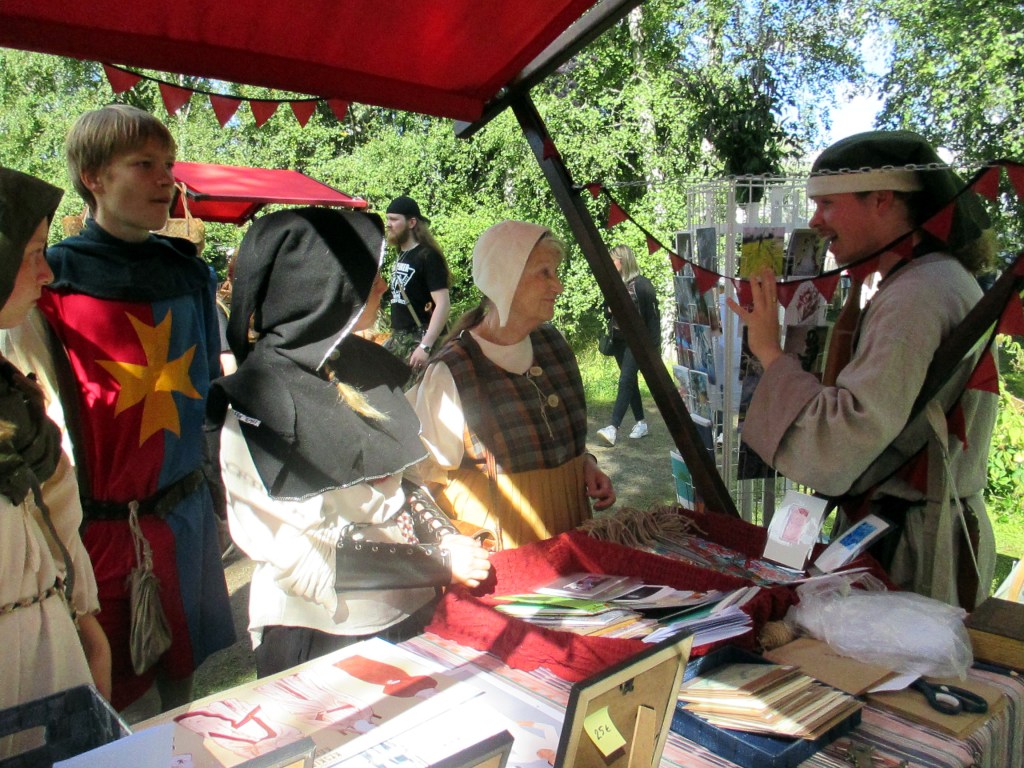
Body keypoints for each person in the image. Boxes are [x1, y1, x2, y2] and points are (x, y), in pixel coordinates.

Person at [3, 105, 235, 712]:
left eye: (169, 165)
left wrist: (216, 495)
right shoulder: (52, 284)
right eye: (144, 165)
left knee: (185, 695)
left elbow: (207, 398)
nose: (167, 180)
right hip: (99, 528)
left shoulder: (189, 276)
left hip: (182, 515)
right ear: (94, 178)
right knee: (104, 695)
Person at [208, 207, 491, 678]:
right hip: (323, 634)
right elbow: (306, 561)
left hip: (410, 614)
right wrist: (439, 560)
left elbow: (398, 482)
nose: (382, 285)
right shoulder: (258, 405)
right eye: (370, 274)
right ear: (322, 286)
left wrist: (447, 537)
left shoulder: (360, 365)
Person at [728, 130, 997, 609]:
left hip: (913, 547)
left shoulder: (918, 294)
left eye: (828, 205)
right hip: (904, 529)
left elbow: (844, 434)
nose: (816, 221)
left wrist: (771, 353)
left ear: (881, 200)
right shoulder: (924, 281)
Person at [410, 220, 616, 550]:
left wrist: (584, 465)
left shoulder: (553, 346)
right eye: (544, 273)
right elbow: (422, 479)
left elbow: (553, 439)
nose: (558, 286)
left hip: (569, 542)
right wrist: (461, 544)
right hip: (500, 551)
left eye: (555, 272)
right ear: (505, 277)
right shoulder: (455, 370)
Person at [0, 168, 110, 726]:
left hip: (56, 655)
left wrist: (84, 620)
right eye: (34, 252)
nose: (47, 270)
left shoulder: (13, 397)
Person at [596, 245, 661, 446]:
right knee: (629, 382)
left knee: (625, 380)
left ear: (622, 261)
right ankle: (641, 422)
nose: (609, 264)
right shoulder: (615, 284)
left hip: (637, 342)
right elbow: (608, 312)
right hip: (619, 341)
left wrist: (653, 347)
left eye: (612, 260)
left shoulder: (642, 285)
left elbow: (653, 318)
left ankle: (612, 428)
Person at [383, 196, 451, 372]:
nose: (388, 224)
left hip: (419, 341)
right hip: (400, 339)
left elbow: (443, 304)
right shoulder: (401, 254)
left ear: (412, 222)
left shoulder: (427, 256)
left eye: (394, 219)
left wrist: (425, 347)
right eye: (387, 219)